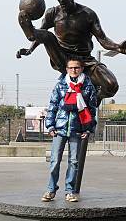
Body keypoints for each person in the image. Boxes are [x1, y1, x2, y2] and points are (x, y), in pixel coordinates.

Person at [16, 0, 126, 101]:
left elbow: (103, 39)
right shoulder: (52, 13)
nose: (62, 0)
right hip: (63, 58)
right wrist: (29, 50)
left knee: (111, 85)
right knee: (47, 36)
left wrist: (118, 47)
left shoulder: (88, 14)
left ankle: (93, 99)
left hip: (85, 60)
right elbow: (42, 35)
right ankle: (29, 30)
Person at [42, 57, 97, 202]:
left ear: (81, 69)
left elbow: (91, 110)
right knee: (54, 161)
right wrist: (50, 125)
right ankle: (51, 189)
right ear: (67, 69)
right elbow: (53, 105)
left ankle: (70, 191)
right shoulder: (60, 85)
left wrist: (88, 128)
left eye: (76, 68)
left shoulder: (88, 87)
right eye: (71, 68)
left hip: (77, 129)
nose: (74, 70)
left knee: (74, 162)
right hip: (60, 129)